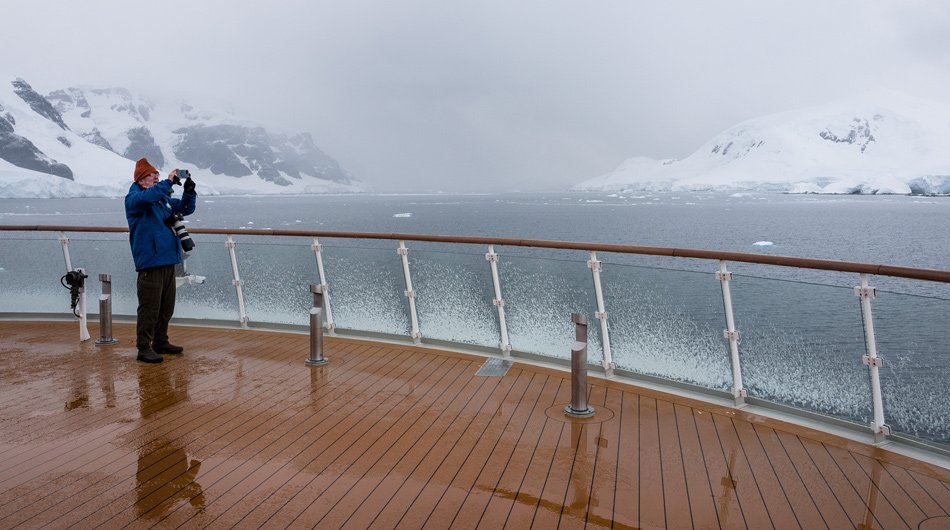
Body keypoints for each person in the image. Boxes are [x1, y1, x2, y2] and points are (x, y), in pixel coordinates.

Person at [125, 158, 197, 363]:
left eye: (158, 175)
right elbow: (148, 197)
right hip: (150, 261)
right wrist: (168, 181)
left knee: (166, 307)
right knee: (149, 307)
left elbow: (184, 208)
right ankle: (143, 347)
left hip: (168, 259)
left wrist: (189, 192)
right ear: (141, 180)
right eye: (152, 175)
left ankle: (160, 341)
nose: (157, 178)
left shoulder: (161, 200)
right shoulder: (134, 199)